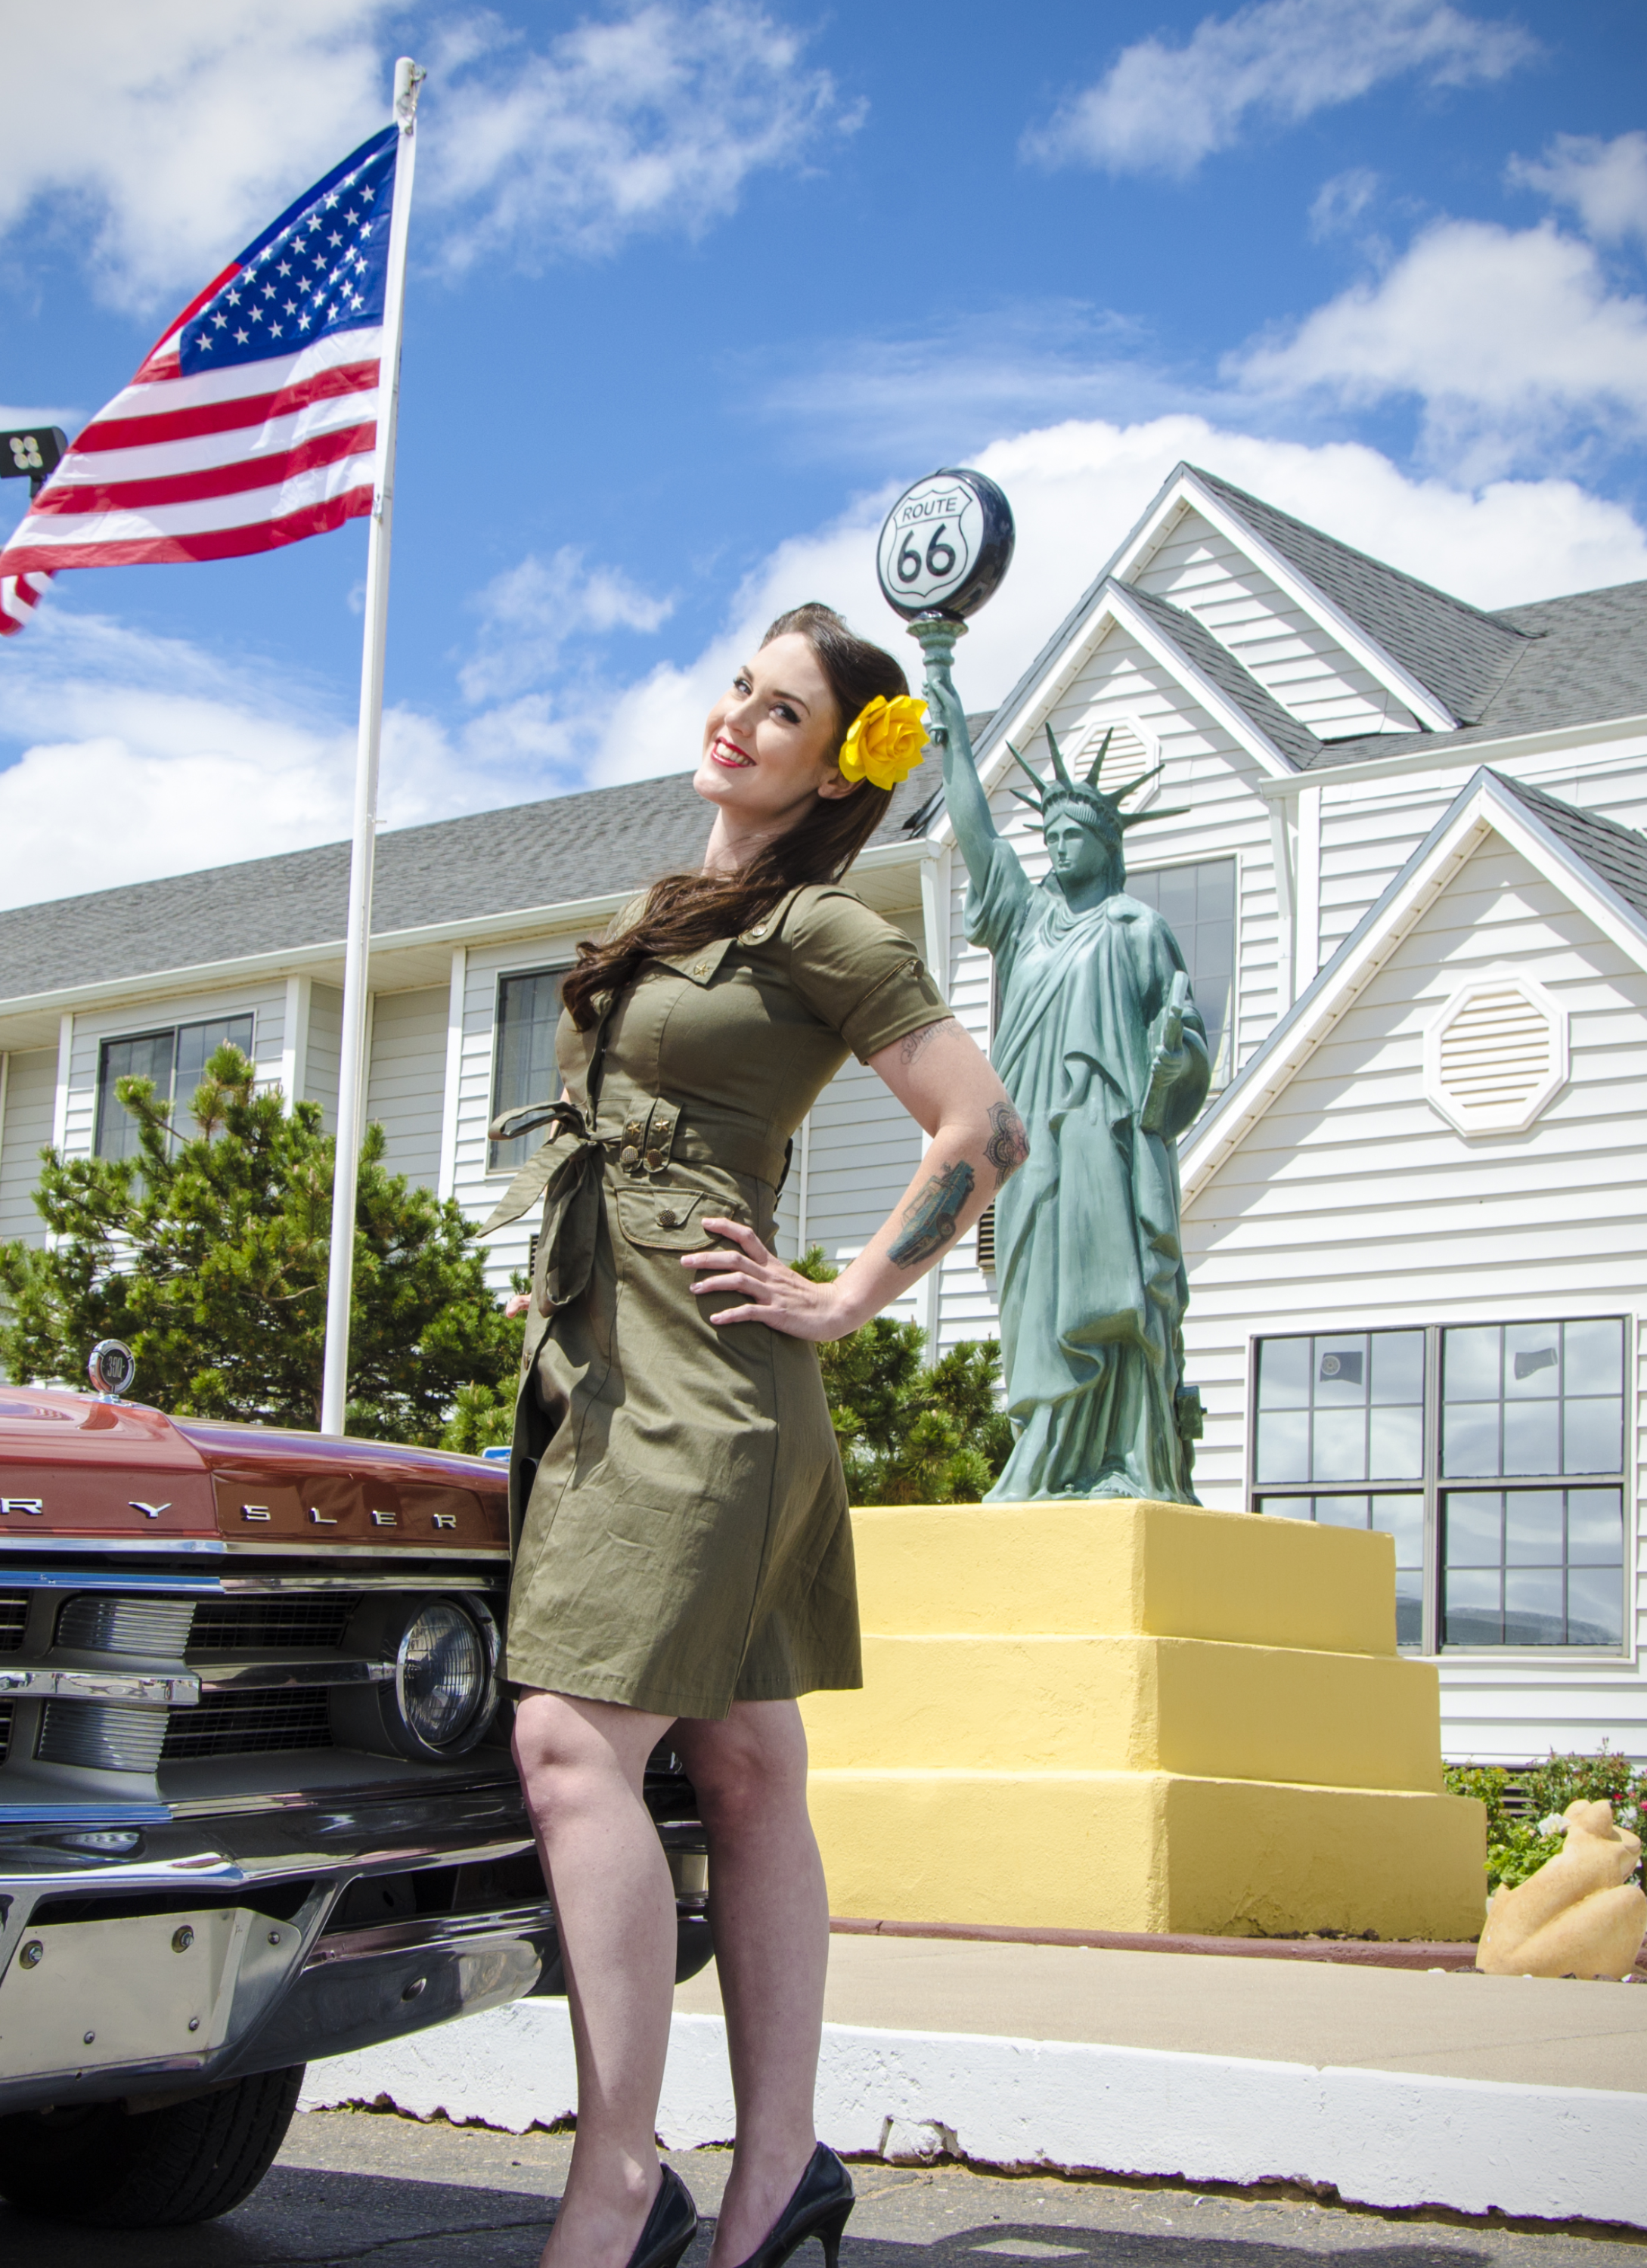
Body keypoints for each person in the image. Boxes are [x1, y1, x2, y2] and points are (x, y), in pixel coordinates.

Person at [485, 603, 1021, 2268]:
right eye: (741, 686)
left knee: (576, 1747)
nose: (739, 719)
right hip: (608, 1362)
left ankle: (620, 2182)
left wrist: (851, 1295)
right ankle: (778, 2174)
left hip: (708, 1384)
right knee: (748, 1763)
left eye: (782, 712)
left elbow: (978, 1123)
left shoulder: (822, 927)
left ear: (831, 764)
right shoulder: (678, 910)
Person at [938, 723, 1212, 1501]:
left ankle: (1118, 1457)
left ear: (1106, 843)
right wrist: (950, 720)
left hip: (1103, 1139)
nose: (1059, 849)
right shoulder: (1024, 925)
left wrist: (1173, 1063)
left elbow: (1183, 1034)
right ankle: (1043, 1449)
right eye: (1050, 835)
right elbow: (977, 834)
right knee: (1032, 1292)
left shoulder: (1137, 931)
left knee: (1108, 1290)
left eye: (1075, 835)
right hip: (1028, 1146)